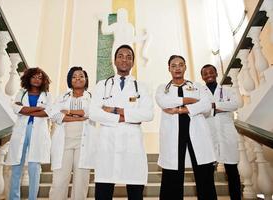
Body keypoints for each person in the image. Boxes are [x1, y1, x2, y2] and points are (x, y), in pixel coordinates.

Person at [89, 44, 154, 200]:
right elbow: (93, 112)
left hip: (132, 145)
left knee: (135, 191)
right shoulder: (102, 85)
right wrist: (127, 117)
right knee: (104, 190)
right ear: (114, 60)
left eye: (129, 57)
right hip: (107, 144)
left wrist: (113, 110)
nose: (124, 59)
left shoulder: (142, 87)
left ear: (133, 62)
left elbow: (148, 114)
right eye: (121, 56)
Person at [155, 55, 217, 200]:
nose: (177, 68)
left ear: (185, 67)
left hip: (197, 135)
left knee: (205, 177)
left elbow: (207, 104)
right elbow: (164, 102)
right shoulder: (162, 88)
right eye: (174, 65)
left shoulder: (197, 86)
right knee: (171, 179)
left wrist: (182, 109)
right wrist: (191, 101)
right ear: (169, 68)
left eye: (181, 65)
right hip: (173, 137)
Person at [6, 67, 52, 200]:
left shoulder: (47, 95)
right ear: (28, 78)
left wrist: (26, 109)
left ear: (43, 80)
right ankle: (14, 198)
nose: (37, 80)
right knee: (16, 166)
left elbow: (48, 112)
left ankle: (32, 198)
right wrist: (37, 108)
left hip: (37, 132)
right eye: (34, 77)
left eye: (40, 77)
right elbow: (16, 108)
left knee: (34, 167)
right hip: (22, 130)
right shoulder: (22, 92)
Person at [49, 66, 94, 200]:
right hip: (64, 144)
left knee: (81, 183)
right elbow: (55, 115)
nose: (78, 78)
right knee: (59, 182)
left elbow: (91, 113)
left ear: (86, 79)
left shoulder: (91, 97)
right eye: (74, 76)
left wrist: (68, 112)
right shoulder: (62, 97)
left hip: (83, 144)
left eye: (81, 76)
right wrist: (80, 116)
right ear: (70, 80)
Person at [201, 64, 242, 200]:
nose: (209, 75)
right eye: (205, 74)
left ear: (216, 73)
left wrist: (213, 106)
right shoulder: (200, 92)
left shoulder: (227, 90)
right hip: (209, 136)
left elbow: (235, 104)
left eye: (211, 72)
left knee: (232, 172)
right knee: (208, 174)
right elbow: (202, 109)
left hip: (227, 135)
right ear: (202, 77)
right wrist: (222, 107)